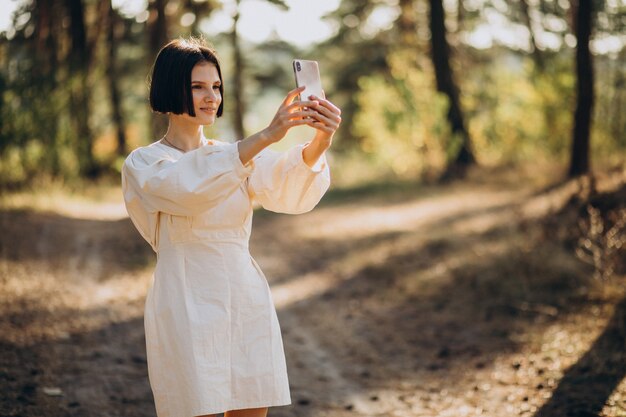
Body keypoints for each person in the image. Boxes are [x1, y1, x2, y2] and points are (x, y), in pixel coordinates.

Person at [121, 37, 340, 417]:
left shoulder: (233, 154)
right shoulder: (144, 163)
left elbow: (287, 186)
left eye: (217, 86)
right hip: (185, 297)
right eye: (197, 86)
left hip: (243, 296)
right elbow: (187, 189)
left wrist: (322, 138)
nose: (212, 97)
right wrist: (267, 135)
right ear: (170, 88)